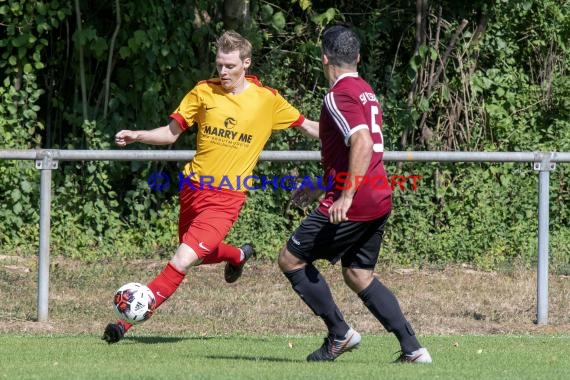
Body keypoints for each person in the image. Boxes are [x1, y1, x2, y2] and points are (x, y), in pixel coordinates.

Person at [102, 30, 319, 344]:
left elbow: (310, 126)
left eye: (230, 65)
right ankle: (237, 255)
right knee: (196, 253)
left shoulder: (267, 100)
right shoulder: (203, 92)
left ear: (246, 63)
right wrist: (138, 135)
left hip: (226, 198)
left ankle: (125, 325)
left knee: (181, 260)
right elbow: (170, 133)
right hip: (192, 189)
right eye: (220, 64)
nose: (223, 71)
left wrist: (351, 132)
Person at [277, 24, 432, 363]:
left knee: (290, 258)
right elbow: (345, 143)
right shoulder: (364, 90)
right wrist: (321, 185)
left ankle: (339, 333)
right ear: (358, 57)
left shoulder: (338, 95)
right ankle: (413, 349)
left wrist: (344, 197)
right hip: (378, 194)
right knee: (358, 274)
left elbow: (361, 142)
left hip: (357, 200)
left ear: (324, 58)